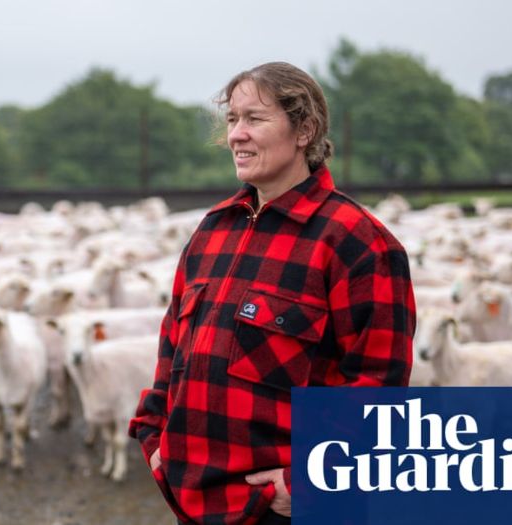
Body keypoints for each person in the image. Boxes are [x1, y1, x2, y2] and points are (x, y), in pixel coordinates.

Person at [128, 62, 416, 525]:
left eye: (255, 119)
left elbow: (378, 391)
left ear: (304, 129)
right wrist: (156, 440)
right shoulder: (212, 231)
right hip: (196, 506)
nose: (237, 135)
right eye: (231, 120)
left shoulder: (356, 242)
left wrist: (306, 483)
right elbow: (171, 350)